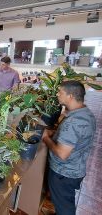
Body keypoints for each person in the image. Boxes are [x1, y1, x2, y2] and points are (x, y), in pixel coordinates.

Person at [42, 81, 96, 215]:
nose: (57, 94)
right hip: (75, 168)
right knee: (62, 202)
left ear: (70, 96)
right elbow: (76, 138)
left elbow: (62, 153)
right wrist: (55, 134)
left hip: (64, 173)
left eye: (60, 92)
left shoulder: (74, 122)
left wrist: (46, 138)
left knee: (65, 208)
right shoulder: (85, 113)